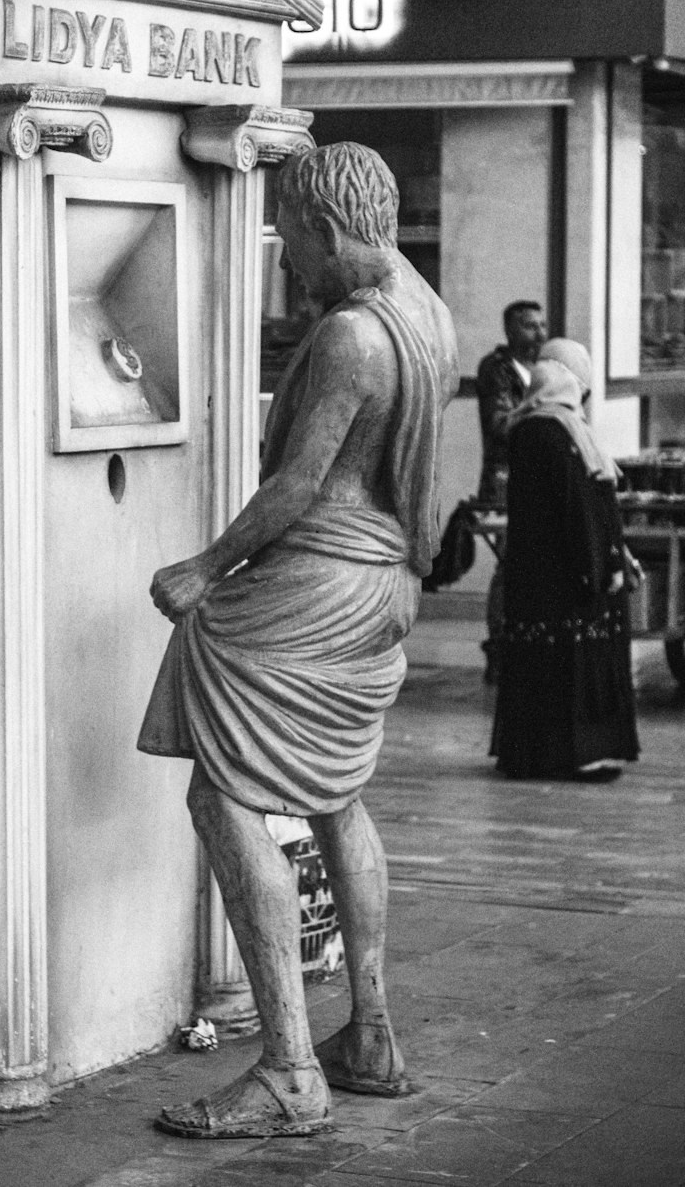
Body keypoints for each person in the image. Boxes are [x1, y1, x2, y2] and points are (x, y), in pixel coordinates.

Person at [138, 142, 458, 1138]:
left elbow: (296, 485)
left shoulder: (351, 337)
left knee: (221, 792)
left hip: (314, 586)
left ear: (323, 230)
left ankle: (286, 1070)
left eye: (289, 239)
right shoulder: (427, 308)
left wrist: (206, 567)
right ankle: (368, 1030)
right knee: (338, 794)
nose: (284, 263)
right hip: (385, 587)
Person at [490, 337, 641, 783]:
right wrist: (599, 564)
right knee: (567, 662)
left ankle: (564, 752)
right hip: (561, 575)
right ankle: (570, 755)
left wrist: (615, 553)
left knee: (566, 661)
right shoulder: (546, 431)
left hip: (559, 570)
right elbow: (574, 509)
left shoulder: (557, 429)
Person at [475, 301, 549, 684]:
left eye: (542, 325)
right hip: (504, 484)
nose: (538, 333)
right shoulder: (496, 369)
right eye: (529, 326)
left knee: (532, 568)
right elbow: (501, 423)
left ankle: (525, 647)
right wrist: (545, 408)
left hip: (537, 482)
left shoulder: (545, 370)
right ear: (509, 331)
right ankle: (499, 648)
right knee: (509, 567)